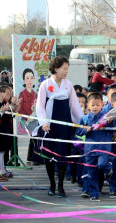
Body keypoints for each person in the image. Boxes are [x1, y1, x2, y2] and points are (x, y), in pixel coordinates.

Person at [35, 56, 83, 197]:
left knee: (62, 155)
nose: (66, 71)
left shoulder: (69, 84)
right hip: (50, 124)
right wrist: (43, 122)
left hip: (64, 123)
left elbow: (74, 105)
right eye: (64, 68)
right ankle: (52, 184)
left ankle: (61, 185)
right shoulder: (45, 84)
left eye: (68, 68)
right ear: (56, 68)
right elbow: (40, 105)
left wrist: (81, 122)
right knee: (49, 155)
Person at [75, 92, 113, 201]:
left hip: (103, 148)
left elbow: (112, 130)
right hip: (89, 149)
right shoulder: (85, 119)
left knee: (102, 165)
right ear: (88, 105)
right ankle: (94, 194)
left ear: (102, 104)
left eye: (97, 104)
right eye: (92, 105)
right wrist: (85, 130)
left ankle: (109, 168)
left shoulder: (106, 118)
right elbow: (78, 132)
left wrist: (110, 122)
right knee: (90, 172)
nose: (95, 107)